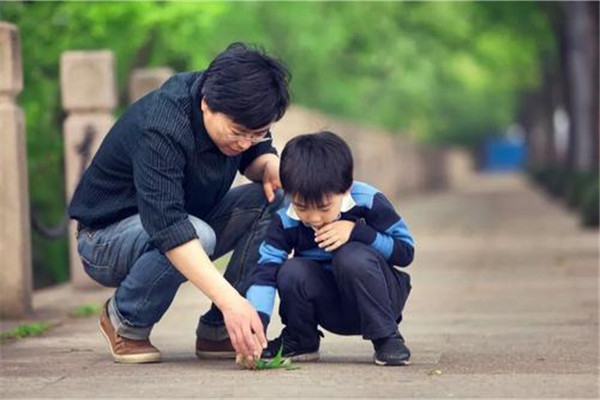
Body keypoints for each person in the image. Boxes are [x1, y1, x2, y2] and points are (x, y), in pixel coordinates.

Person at [68, 42, 290, 364]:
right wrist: (233, 302)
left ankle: (219, 332)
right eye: (239, 132)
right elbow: (168, 225)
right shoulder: (163, 126)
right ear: (206, 104)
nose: (245, 142)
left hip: (183, 219)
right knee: (198, 233)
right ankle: (125, 320)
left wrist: (270, 165)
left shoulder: (237, 105)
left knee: (273, 200)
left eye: (256, 133)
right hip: (104, 239)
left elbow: (254, 153)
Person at [244, 131, 414, 366]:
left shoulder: (368, 200)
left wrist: (357, 232)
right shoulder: (286, 218)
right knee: (291, 269)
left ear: (346, 187)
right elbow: (265, 272)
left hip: (380, 299)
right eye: (302, 206)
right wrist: (256, 328)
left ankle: (387, 337)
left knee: (350, 256)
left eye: (324, 207)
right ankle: (301, 339)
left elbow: (405, 252)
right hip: (330, 307)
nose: (313, 218)